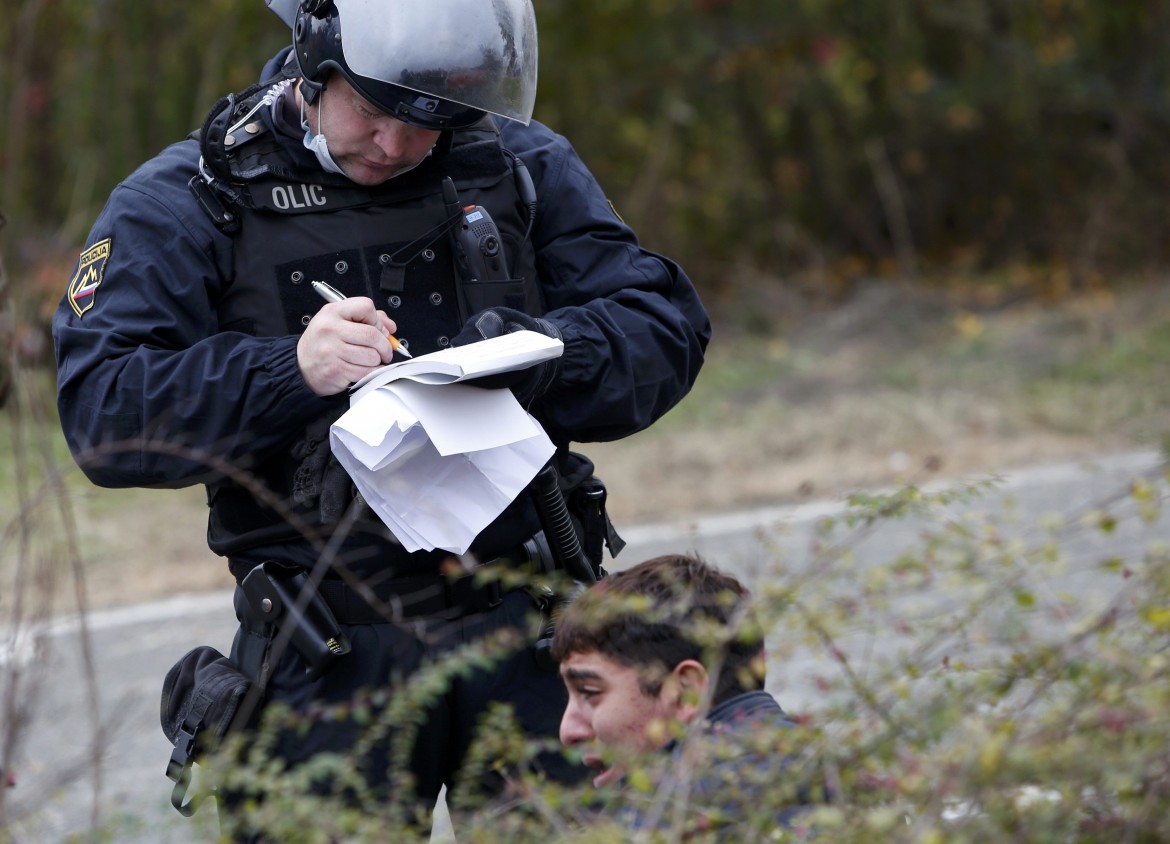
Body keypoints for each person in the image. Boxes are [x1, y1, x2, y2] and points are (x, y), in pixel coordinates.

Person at [51, 0, 710, 835]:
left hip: (528, 618)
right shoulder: (190, 197)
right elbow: (103, 410)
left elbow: (666, 325)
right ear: (313, 72)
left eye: (427, 125)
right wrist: (288, 369)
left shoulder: (515, 164)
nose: (395, 146)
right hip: (326, 648)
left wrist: (540, 354)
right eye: (372, 110)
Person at [552, 553, 816, 837]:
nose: (567, 731)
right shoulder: (843, 773)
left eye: (590, 693)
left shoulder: (654, 824)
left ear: (686, 691)